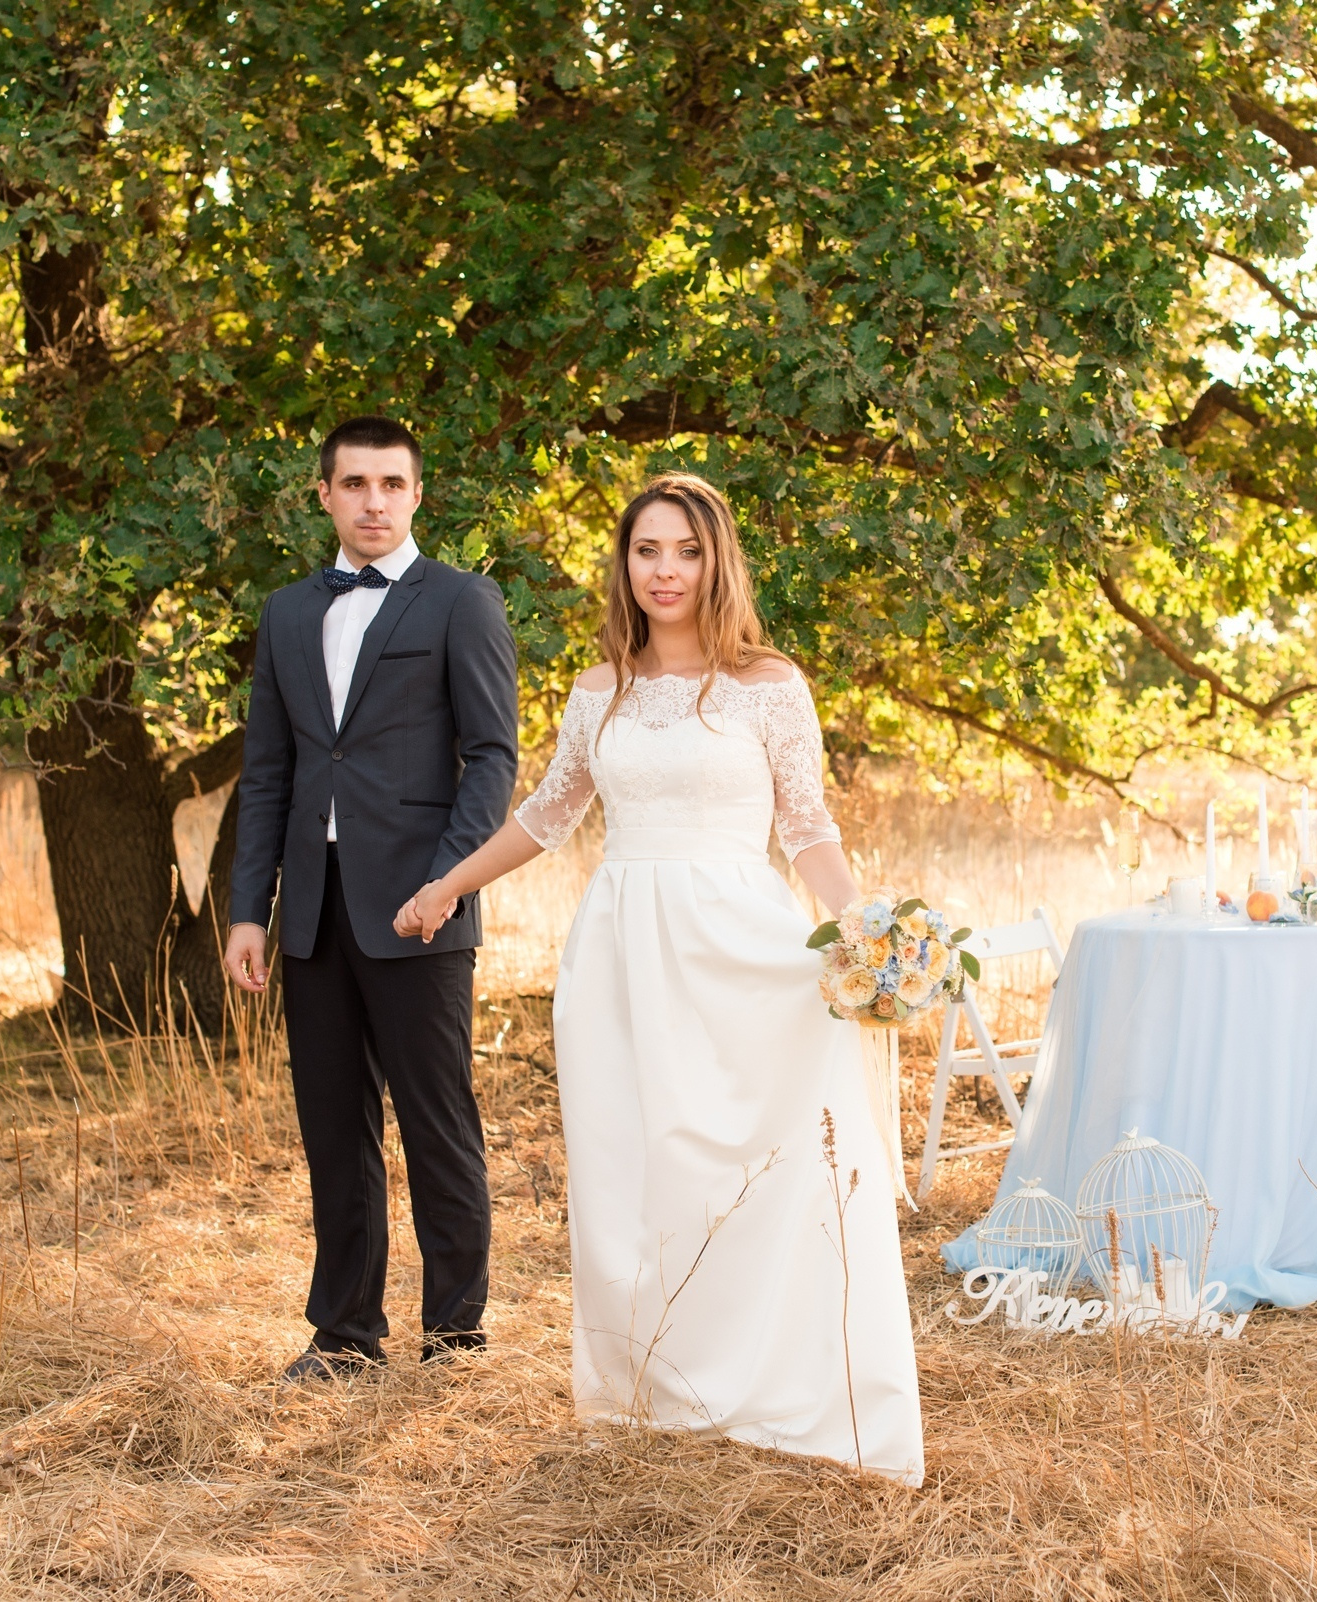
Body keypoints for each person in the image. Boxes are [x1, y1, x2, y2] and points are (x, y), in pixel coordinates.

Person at [395, 473, 925, 1484]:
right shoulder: (601, 692)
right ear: (625, 565)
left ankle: (779, 1386)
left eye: (685, 550)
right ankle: (663, 1395)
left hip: (743, 945)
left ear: (715, 559)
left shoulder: (770, 684)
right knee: (636, 1167)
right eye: (647, 551)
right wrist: (444, 887)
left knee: (758, 1160)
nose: (666, 570)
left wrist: (858, 934)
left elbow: (807, 826)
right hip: (622, 956)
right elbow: (546, 816)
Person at [222, 416, 518, 1378]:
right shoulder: (286, 613)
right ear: (325, 495)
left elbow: (491, 760)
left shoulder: (462, 603)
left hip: (420, 910)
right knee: (332, 1131)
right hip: (311, 911)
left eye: (392, 484)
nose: (374, 502)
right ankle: (345, 1336)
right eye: (355, 484)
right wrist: (248, 909)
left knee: (438, 1124)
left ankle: (456, 1337)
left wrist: (447, 882)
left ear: (418, 494)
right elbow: (267, 772)